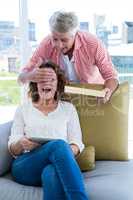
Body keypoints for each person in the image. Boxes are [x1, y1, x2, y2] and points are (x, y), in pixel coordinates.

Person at [8, 61, 88, 200]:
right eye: (42, 80)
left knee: (51, 171)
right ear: (35, 84)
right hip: (26, 165)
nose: (47, 83)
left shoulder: (68, 109)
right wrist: (21, 144)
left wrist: (61, 153)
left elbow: (77, 144)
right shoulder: (23, 109)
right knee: (59, 145)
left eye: (51, 79)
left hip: (55, 165)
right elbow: (13, 147)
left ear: (58, 85)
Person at [18, 10, 118, 103]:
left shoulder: (93, 44)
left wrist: (107, 91)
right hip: (62, 100)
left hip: (91, 98)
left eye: (64, 40)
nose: (58, 45)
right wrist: (30, 76)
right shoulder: (46, 44)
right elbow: (21, 77)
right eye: (55, 39)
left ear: (74, 35)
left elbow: (111, 76)